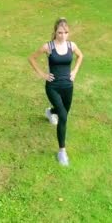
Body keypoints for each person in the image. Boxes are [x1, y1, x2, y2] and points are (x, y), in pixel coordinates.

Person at [28, 17, 83, 166]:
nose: (63, 35)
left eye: (65, 32)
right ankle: (62, 151)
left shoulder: (72, 46)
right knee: (64, 116)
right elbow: (32, 58)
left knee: (62, 112)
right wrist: (43, 74)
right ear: (55, 32)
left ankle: (50, 112)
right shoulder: (49, 47)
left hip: (68, 87)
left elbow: (80, 56)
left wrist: (75, 71)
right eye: (60, 32)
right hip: (53, 87)